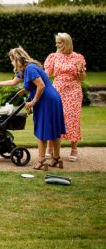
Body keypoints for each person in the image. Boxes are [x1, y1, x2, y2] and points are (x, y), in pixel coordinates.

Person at [0, 47, 66, 171]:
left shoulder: (30, 69)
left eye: (11, 60)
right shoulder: (25, 70)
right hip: (52, 98)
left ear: (16, 59)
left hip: (46, 100)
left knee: (42, 131)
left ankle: (41, 160)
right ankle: (56, 158)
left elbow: (41, 85)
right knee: (54, 129)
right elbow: (13, 82)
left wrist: (33, 101)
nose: (11, 63)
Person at [44, 33, 87, 161]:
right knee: (54, 118)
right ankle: (50, 147)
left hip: (74, 91)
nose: (57, 45)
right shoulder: (53, 57)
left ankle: (74, 149)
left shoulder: (78, 57)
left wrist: (80, 71)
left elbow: (83, 78)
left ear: (67, 43)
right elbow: (47, 74)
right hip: (57, 90)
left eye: (59, 43)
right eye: (56, 43)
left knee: (72, 118)